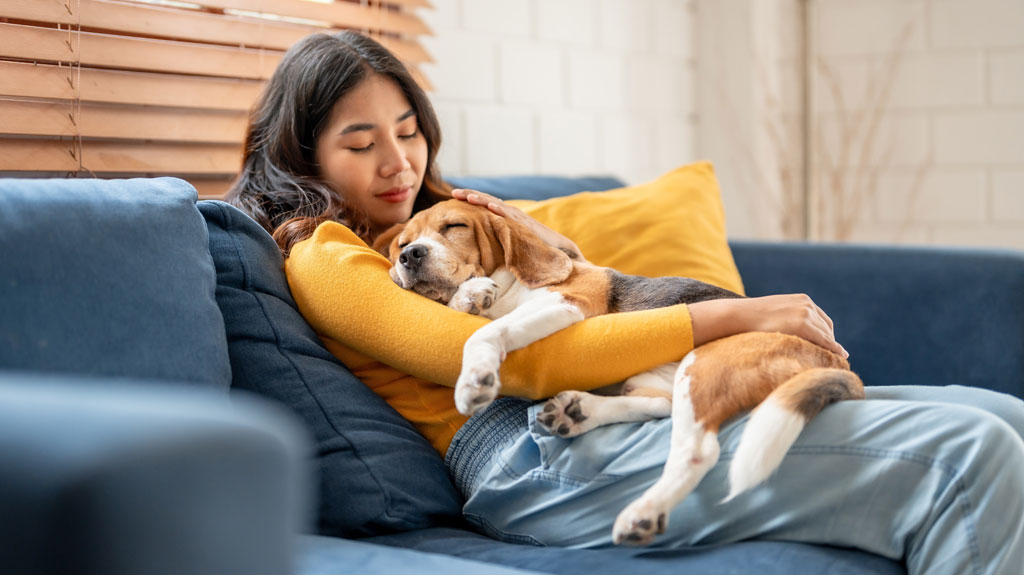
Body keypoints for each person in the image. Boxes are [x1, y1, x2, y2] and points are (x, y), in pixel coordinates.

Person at [226, 31, 1024, 574]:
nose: (399, 162)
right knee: (974, 456)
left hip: (622, 403)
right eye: (361, 144)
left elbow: (573, 277)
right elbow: (526, 363)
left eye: (409, 131)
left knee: (1006, 414)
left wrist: (519, 226)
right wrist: (739, 313)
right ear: (305, 158)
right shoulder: (326, 254)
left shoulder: (445, 219)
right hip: (531, 454)